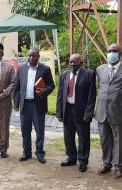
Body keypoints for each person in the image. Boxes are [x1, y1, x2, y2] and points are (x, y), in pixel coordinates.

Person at [13, 48, 55, 164]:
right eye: (30, 56)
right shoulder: (21, 69)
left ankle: (40, 153)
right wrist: (16, 103)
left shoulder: (45, 69)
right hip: (25, 105)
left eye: (34, 56)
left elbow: (51, 85)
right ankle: (26, 153)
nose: (31, 58)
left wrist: (43, 92)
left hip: (38, 105)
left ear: (38, 56)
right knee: (25, 130)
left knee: (39, 131)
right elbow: (16, 87)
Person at [56, 54, 96, 172]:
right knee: (68, 137)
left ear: (81, 62)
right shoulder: (64, 75)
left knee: (83, 137)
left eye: (75, 62)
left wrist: (88, 114)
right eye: (70, 62)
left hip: (81, 111)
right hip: (67, 110)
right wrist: (59, 112)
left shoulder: (89, 74)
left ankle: (83, 161)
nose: (73, 64)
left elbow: (92, 95)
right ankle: (71, 158)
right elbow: (60, 95)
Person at [96, 43, 122, 179]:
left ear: (120, 54)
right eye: (109, 50)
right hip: (101, 111)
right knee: (104, 139)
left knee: (119, 140)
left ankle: (118, 166)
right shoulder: (100, 69)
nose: (111, 53)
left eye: (114, 51)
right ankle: (106, 164)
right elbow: (99, 88)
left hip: (118, 112)